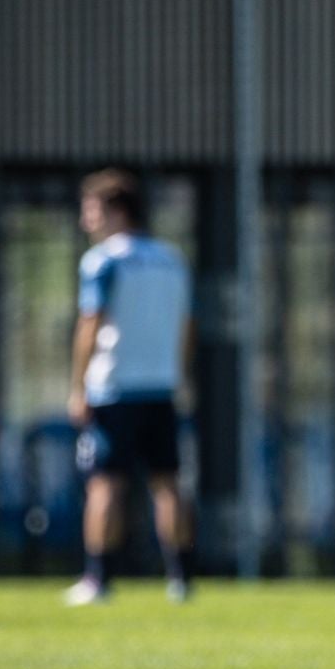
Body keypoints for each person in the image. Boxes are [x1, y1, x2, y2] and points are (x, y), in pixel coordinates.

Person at [64, 168, 197, 606]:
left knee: (104, 484)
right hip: (161, 386)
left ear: (116, 210)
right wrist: (178, 374)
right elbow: (185, 325)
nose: (87, 222)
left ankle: (97, 579)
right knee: (167, 483)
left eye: (91, 211)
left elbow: (89, 325)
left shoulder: (103, 260)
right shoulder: (171, 259)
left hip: (114, 386)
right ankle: (179, 579)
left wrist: (78, 385)